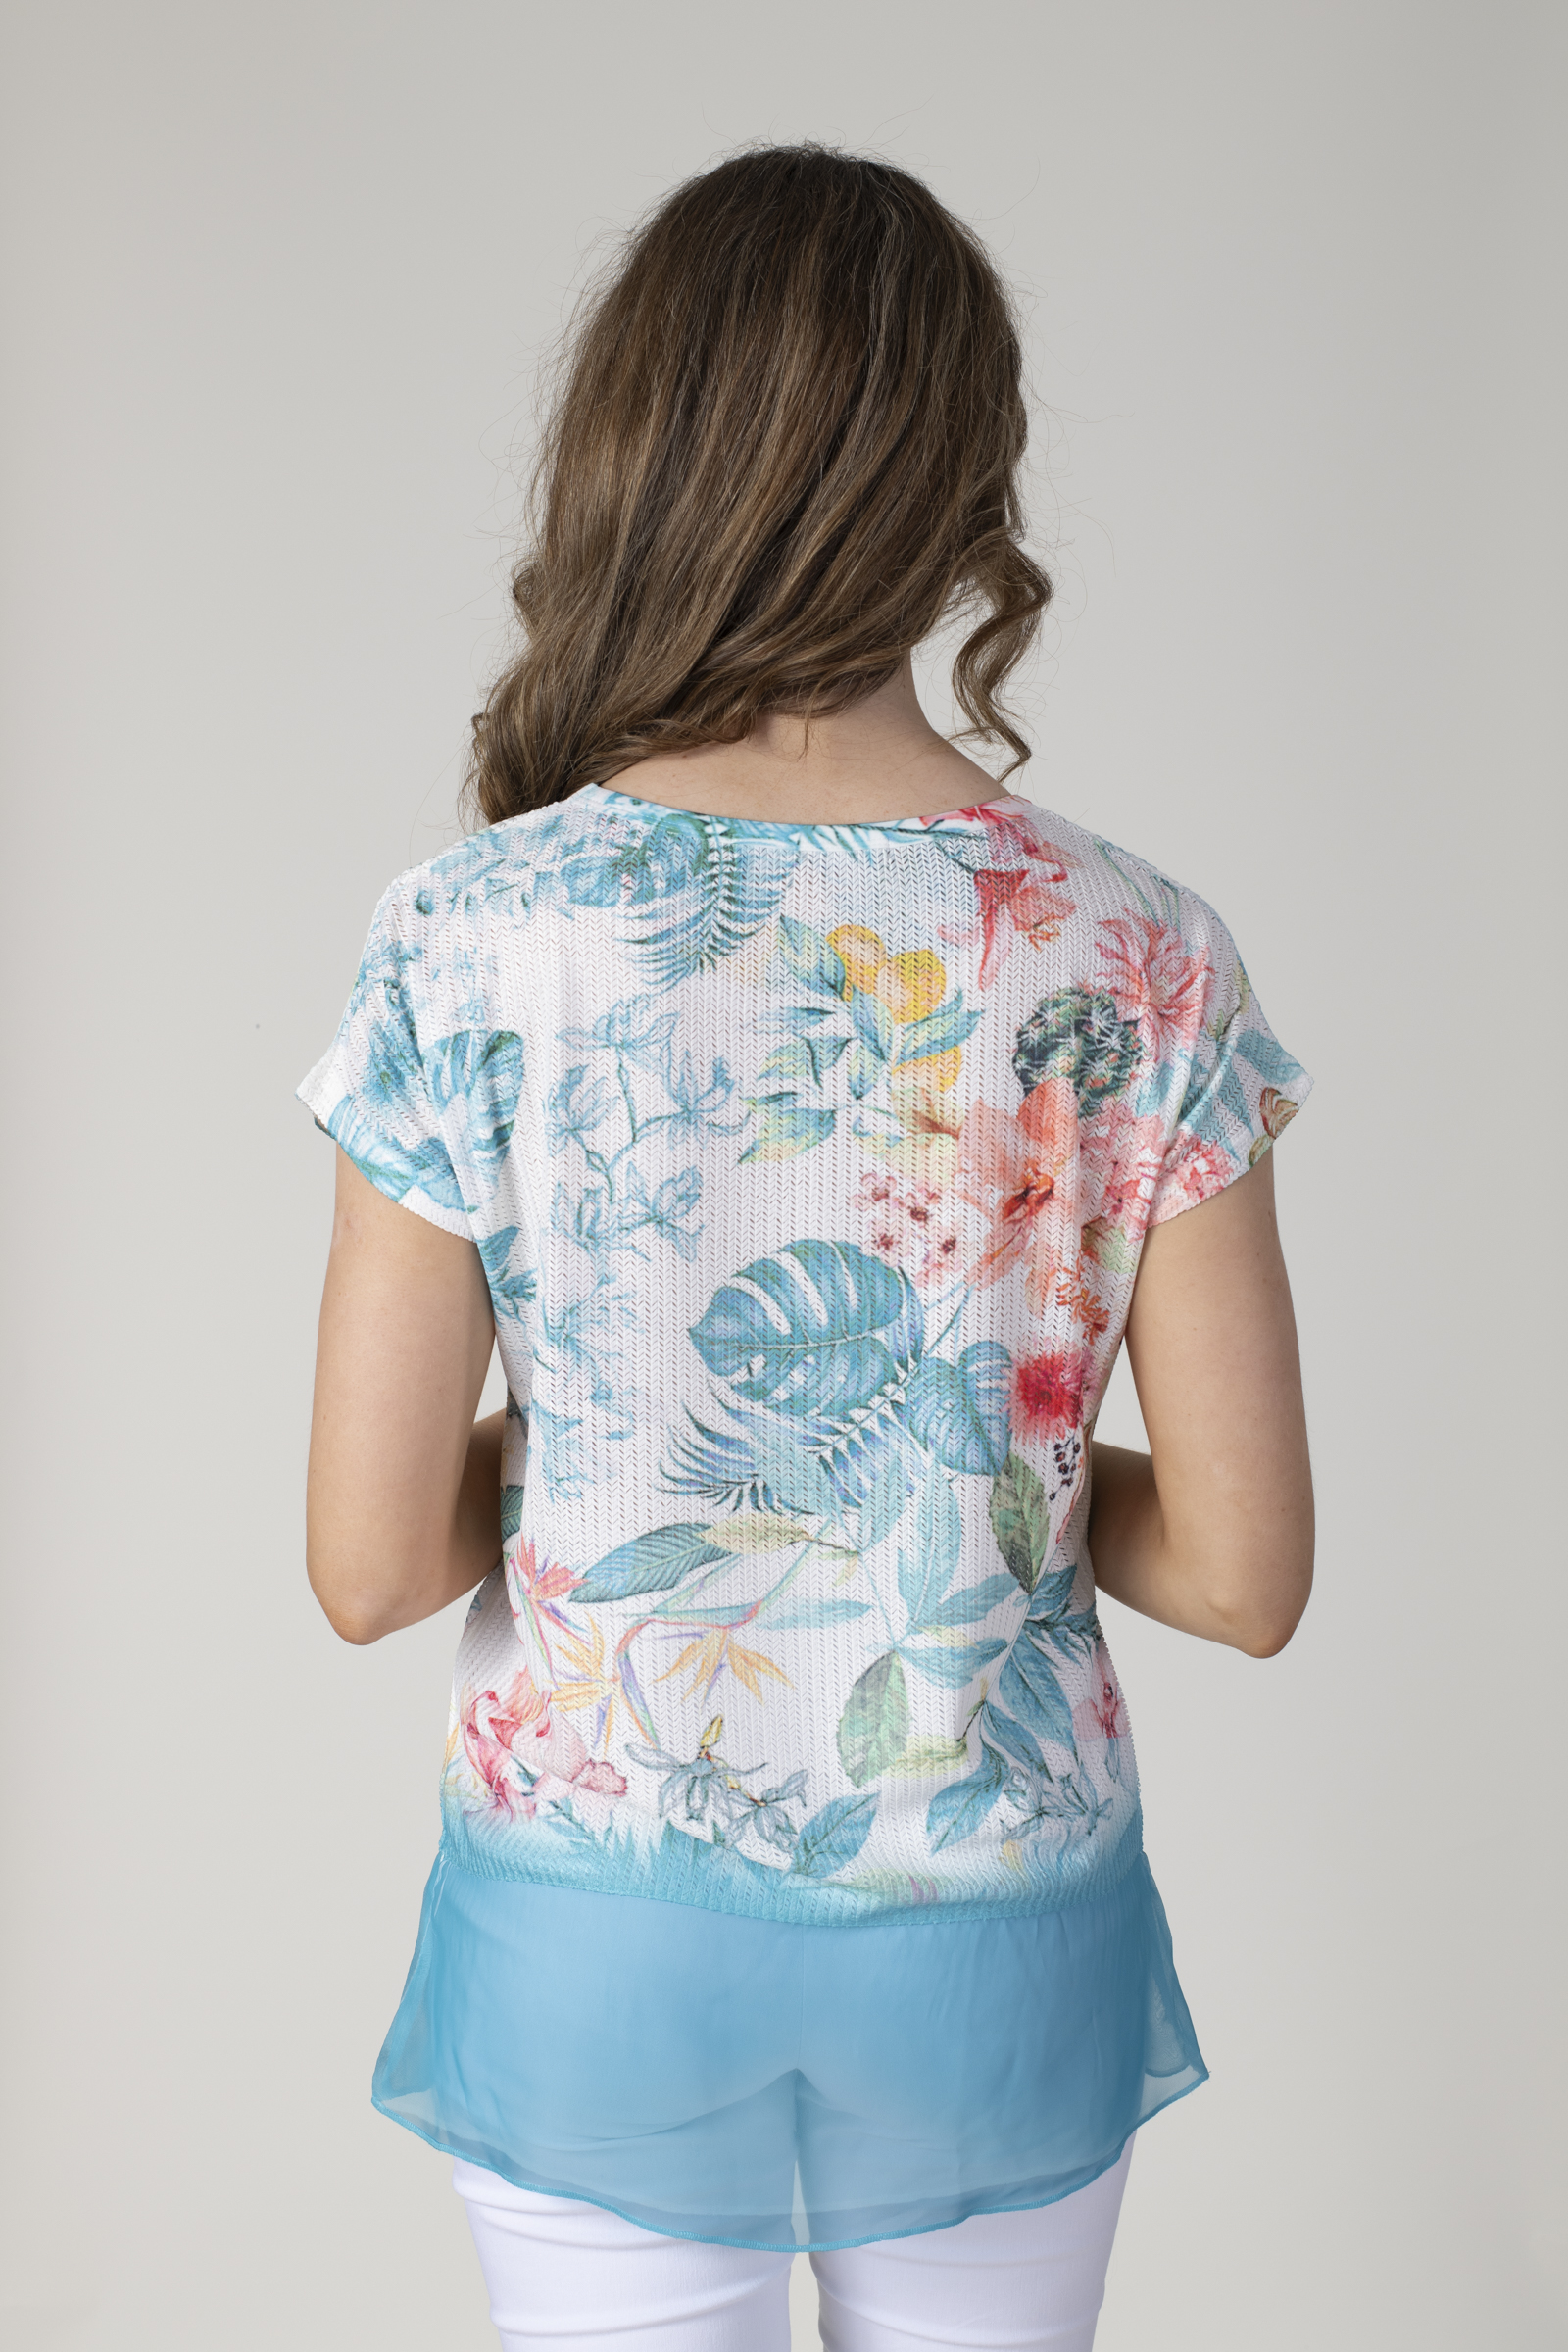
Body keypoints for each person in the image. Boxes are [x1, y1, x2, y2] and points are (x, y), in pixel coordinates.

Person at [300, 145, 1313, 2352]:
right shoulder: (1136, 947)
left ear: (634, 455)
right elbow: (1246, 1578)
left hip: (591, 1927)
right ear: (966, 480)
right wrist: (953, 1471)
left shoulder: (470, 936)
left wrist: (616, 1444)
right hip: (998, 1936)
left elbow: (370, 1568)